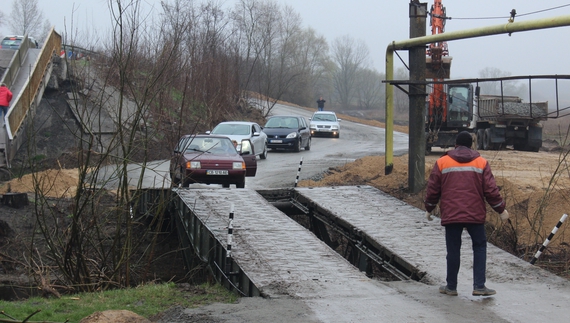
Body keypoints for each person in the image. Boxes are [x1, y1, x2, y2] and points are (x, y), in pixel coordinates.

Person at [424, 131, 509, 297]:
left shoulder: (442, 162)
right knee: (479, 246)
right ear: (471, 145)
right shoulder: (481, 162)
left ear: (456, 144)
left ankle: (451, 286)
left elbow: (433, 189)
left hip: (452, 213)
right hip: (474, 213)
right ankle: (479, 286)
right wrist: (501, 210)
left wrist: (429, 208)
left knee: (453, 249)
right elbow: (491, 191)